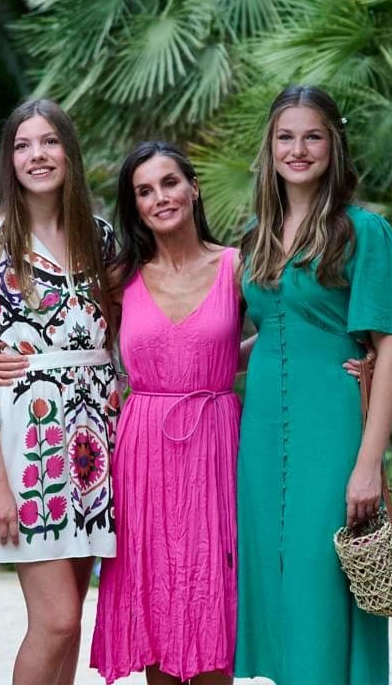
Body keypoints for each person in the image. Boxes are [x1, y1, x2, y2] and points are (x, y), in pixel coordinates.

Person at [233, 84, 392, 685]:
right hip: (262, 434)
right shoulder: (257, 235)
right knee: (277, 577)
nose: (298, 148)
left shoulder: (363, 231)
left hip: (332, 427)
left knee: (323, 578)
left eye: (312, 135)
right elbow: (266, 334)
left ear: (333, 144)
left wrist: (368, 463)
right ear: (270, 146)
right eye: (285, 136)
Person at [0, 99, 118, 685]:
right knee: (53, 619)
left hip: (96, 447)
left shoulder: (101, 239)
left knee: (73, 622)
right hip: (33, 447)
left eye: (49, 142)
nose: (37, 155)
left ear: (69, 153)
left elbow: (132, 328)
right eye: (23, 145)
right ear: (10, 161)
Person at [88, 142, 243, 684]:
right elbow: (79, 349)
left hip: (218, 446)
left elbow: (276, 337)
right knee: (154, 600)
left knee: (213, 598)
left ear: (193, 187)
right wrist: (11, 363)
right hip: (144, 451)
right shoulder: (119, 278)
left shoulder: (236, 266)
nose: (161, 198)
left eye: (170, 183)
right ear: (135, 206)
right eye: (145, 191)